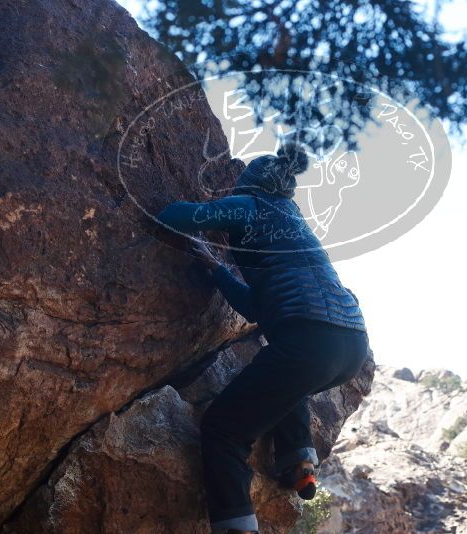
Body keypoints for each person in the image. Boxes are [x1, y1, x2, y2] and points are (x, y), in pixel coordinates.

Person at [155, 142, 369, 534]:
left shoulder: (247, 204)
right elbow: (257, 308)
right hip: (352, 343)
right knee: (284, 380)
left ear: (249, 183)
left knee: (223, 430)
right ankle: (299, 461)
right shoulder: (295, 220)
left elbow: (176, 217)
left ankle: (237, 525)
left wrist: (172, 209)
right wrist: (217, 268)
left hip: (308, 342)